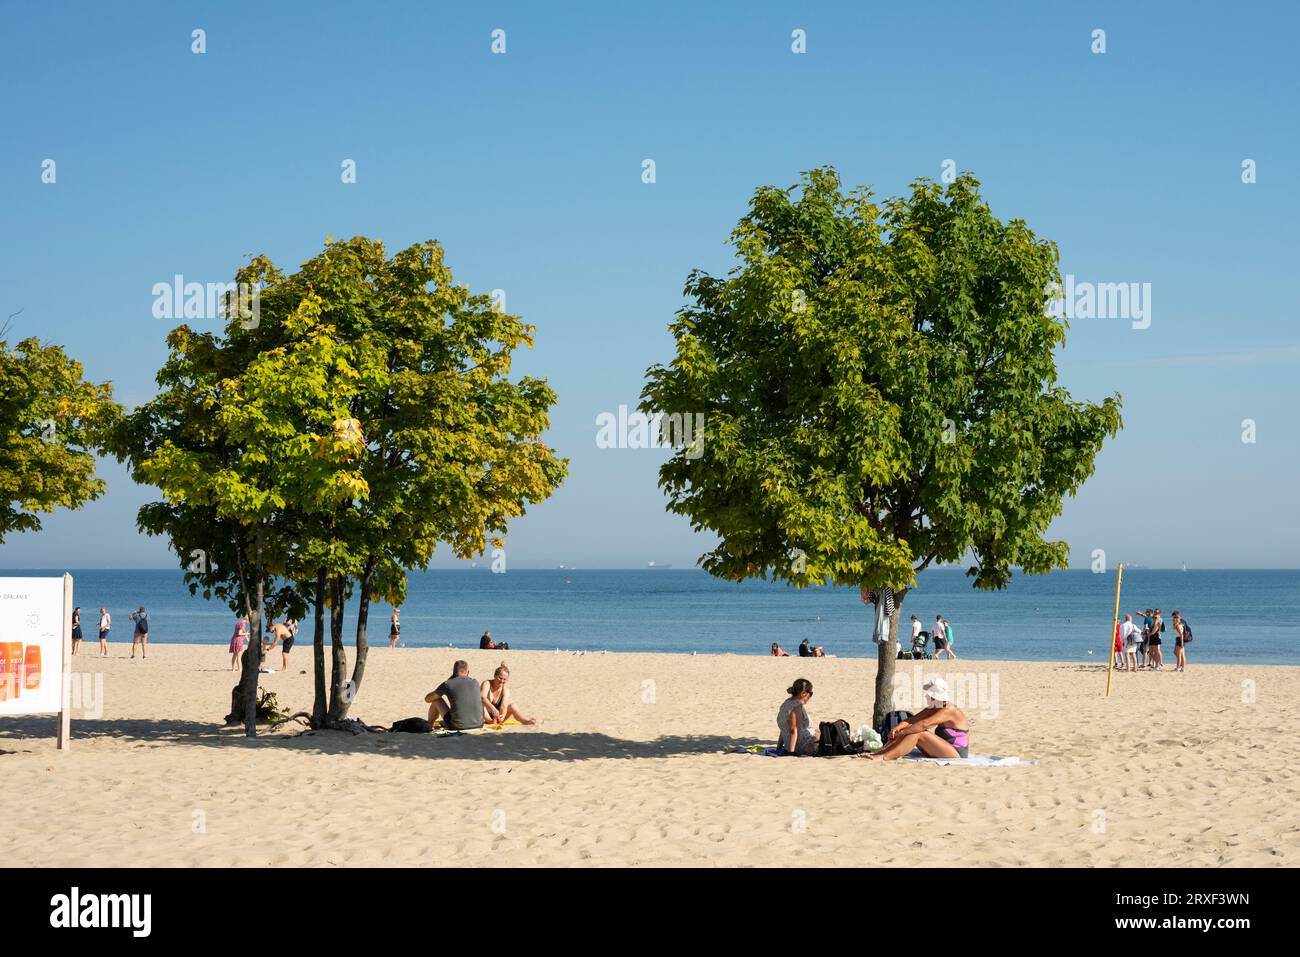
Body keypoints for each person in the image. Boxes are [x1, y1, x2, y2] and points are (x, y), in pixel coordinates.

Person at [861, 677, 969, 760]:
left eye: (928, 694)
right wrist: (897, 728)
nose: (926, 696)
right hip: (942, 750)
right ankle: (880, 753)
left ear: (933, 696)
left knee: (919, 732)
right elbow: (912, 720)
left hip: (956, 753)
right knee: (910, 729)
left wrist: (902, 732)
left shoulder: (949, 710)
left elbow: (924, 724)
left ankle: (885, 757)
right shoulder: (934, 707)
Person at [425, 660, 485, 730]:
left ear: (454, 672)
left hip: (458, 726)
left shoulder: (448, 683)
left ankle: (429, 725)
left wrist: (449, 680)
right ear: (468, 672)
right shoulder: (475, 682)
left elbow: (427, 699)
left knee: (436, 700)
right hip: (479, 724)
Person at [777, 678, 818, 756]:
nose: (810, 696)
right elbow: (793, 729)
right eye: (810, 693)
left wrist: (778, 748)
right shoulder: (796, 707)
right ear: (804, 693)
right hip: (805, 745)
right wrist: (791, 752)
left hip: (791, 745)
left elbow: (784, 728)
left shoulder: (785, 704)